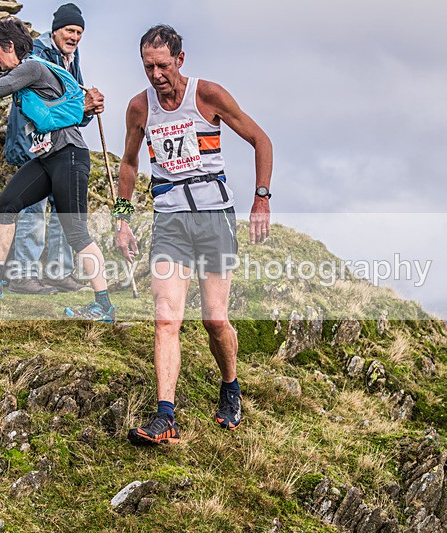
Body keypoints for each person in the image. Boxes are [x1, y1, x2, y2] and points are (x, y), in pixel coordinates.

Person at [115, 25, 273, 445]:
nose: (156, 75)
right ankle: (165, 415)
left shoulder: (208, 95)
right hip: (170, 220)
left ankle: (230, 386)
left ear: (180, 60)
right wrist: (122, 218)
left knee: (214, 319)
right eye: (148, 67)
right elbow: (129, 163)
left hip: (214, 217)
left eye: (163, 66)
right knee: (166, 317)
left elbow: (261, 140)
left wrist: (261, 199)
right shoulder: (139, 107)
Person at [0, 17, 115, 322]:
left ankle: (103, 305)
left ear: (10, 46)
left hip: (68, 155)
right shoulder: (27, 71)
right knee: (4, 206)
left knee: (75, 231)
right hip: (47, 158)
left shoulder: (32, 67)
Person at [4, 3, 93, 295]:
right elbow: (39, 107)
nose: (75, 37)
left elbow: (73, 105)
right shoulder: (37, 56)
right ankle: (23, 276)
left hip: (59, 145)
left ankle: (59, 272)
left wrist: (89, 108)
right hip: (35, 143)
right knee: (33, 207)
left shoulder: (71, 58)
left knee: (61, 207)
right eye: (70, 30)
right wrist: (82, 106)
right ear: (56, 30)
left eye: (79, 32)